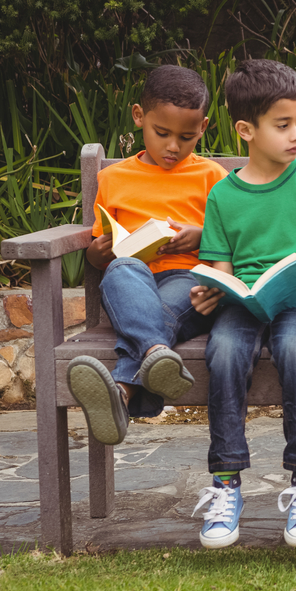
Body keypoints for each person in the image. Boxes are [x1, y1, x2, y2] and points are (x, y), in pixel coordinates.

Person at [189, 60, 296, 549]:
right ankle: (227, 481)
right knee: (225, 352)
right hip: (245, 305)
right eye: (283, 125)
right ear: (245, 131)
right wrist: (213, 290)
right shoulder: (223, 195)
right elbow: (221, 269)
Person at [67, 65, 226, 447]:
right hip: (131, 284)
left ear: (203, 127)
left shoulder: (212, 177)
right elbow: (98, 252)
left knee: (165, 310)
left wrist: (201, 238)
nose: (173, 146)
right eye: (162, 133)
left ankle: (122, 391)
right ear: (139, 116)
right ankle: (156, 356)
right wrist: (96, 251)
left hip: (188, 282)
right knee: (122, 267)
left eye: (187, 137)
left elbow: (234, 242)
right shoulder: (115, 178)